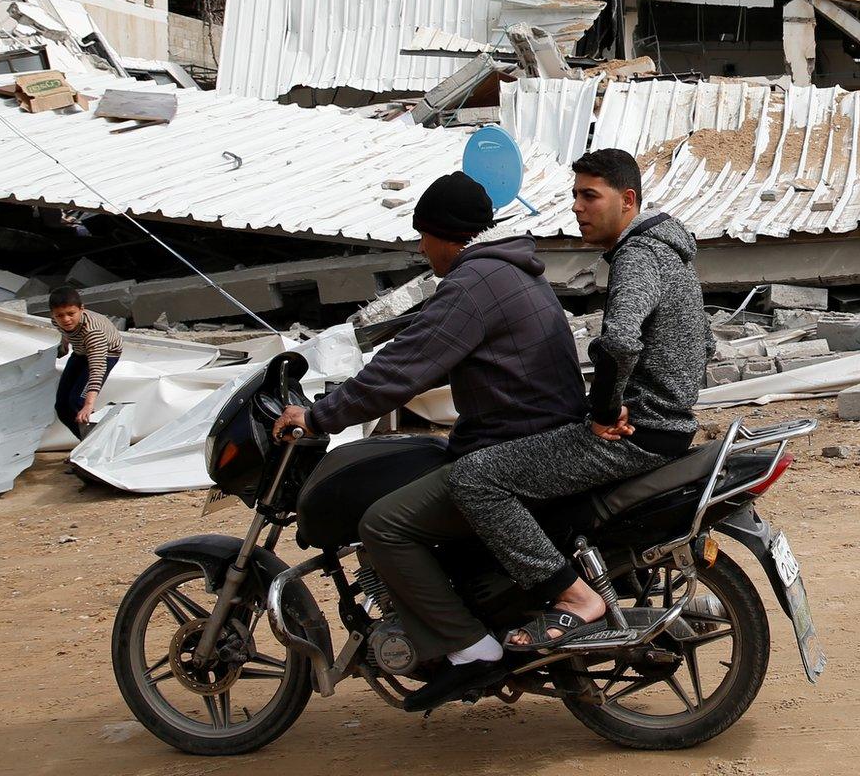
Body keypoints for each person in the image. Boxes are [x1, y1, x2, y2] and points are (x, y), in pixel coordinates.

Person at [270, 170, 584, 710]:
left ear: (443, 235)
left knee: (383, 524)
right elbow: (434, 357)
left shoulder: (473, 283)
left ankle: (472, 651)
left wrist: (320, 415)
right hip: (533, 435)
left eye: (423, 236)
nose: (421, 248)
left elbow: (403, 369)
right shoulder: (513, 272)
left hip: (515, 448)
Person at [447, 148, 708, 653]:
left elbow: (620, 341)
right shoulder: (671, 254)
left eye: (590, 195)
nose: (577, 208)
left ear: (627, 200)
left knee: (474, 478)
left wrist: (606, 411)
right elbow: (703, 343)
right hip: (669, 425)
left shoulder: (639, 255)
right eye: (574, 196)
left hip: (636, 433)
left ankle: (571, 597)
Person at [48, 286, 122, 438]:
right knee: (62, 407)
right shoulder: (56, 321)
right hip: (81, 351)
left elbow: (97, 368)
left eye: (71, 314)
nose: (66, 320)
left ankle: (102, 446)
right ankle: (86, 447)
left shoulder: (93, 332)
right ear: (53, 315)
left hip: (106, 353)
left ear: (82, 309)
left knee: (77, 402)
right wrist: (64, 346)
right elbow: (65, 331)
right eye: (60, 315)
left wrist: (89, 406)